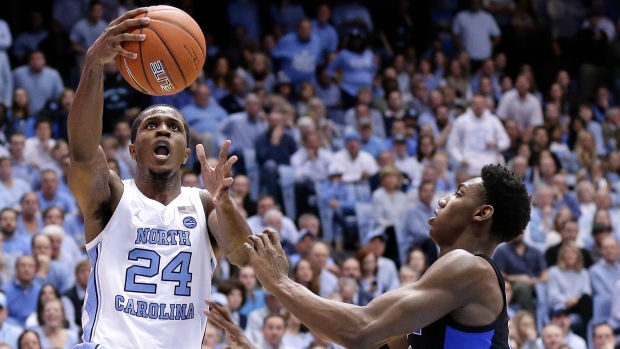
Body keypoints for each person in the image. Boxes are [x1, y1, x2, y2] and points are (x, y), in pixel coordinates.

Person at [66, 9, 252, 349]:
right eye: (151, 125)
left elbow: (241, 254)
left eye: (174, 126)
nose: (163, 128)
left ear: (185, 153)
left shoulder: (206, 203)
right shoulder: (112, 195)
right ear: (134, 151)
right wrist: (93, 64)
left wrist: (225, 203)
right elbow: (81, 153)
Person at [242, 164, 531, 348]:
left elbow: (360, 331)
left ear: (482, 213)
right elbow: (372, 342)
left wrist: (280, 283)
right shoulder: (445, 284)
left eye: (458, 193)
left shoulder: (469, 267)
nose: (442, 199)